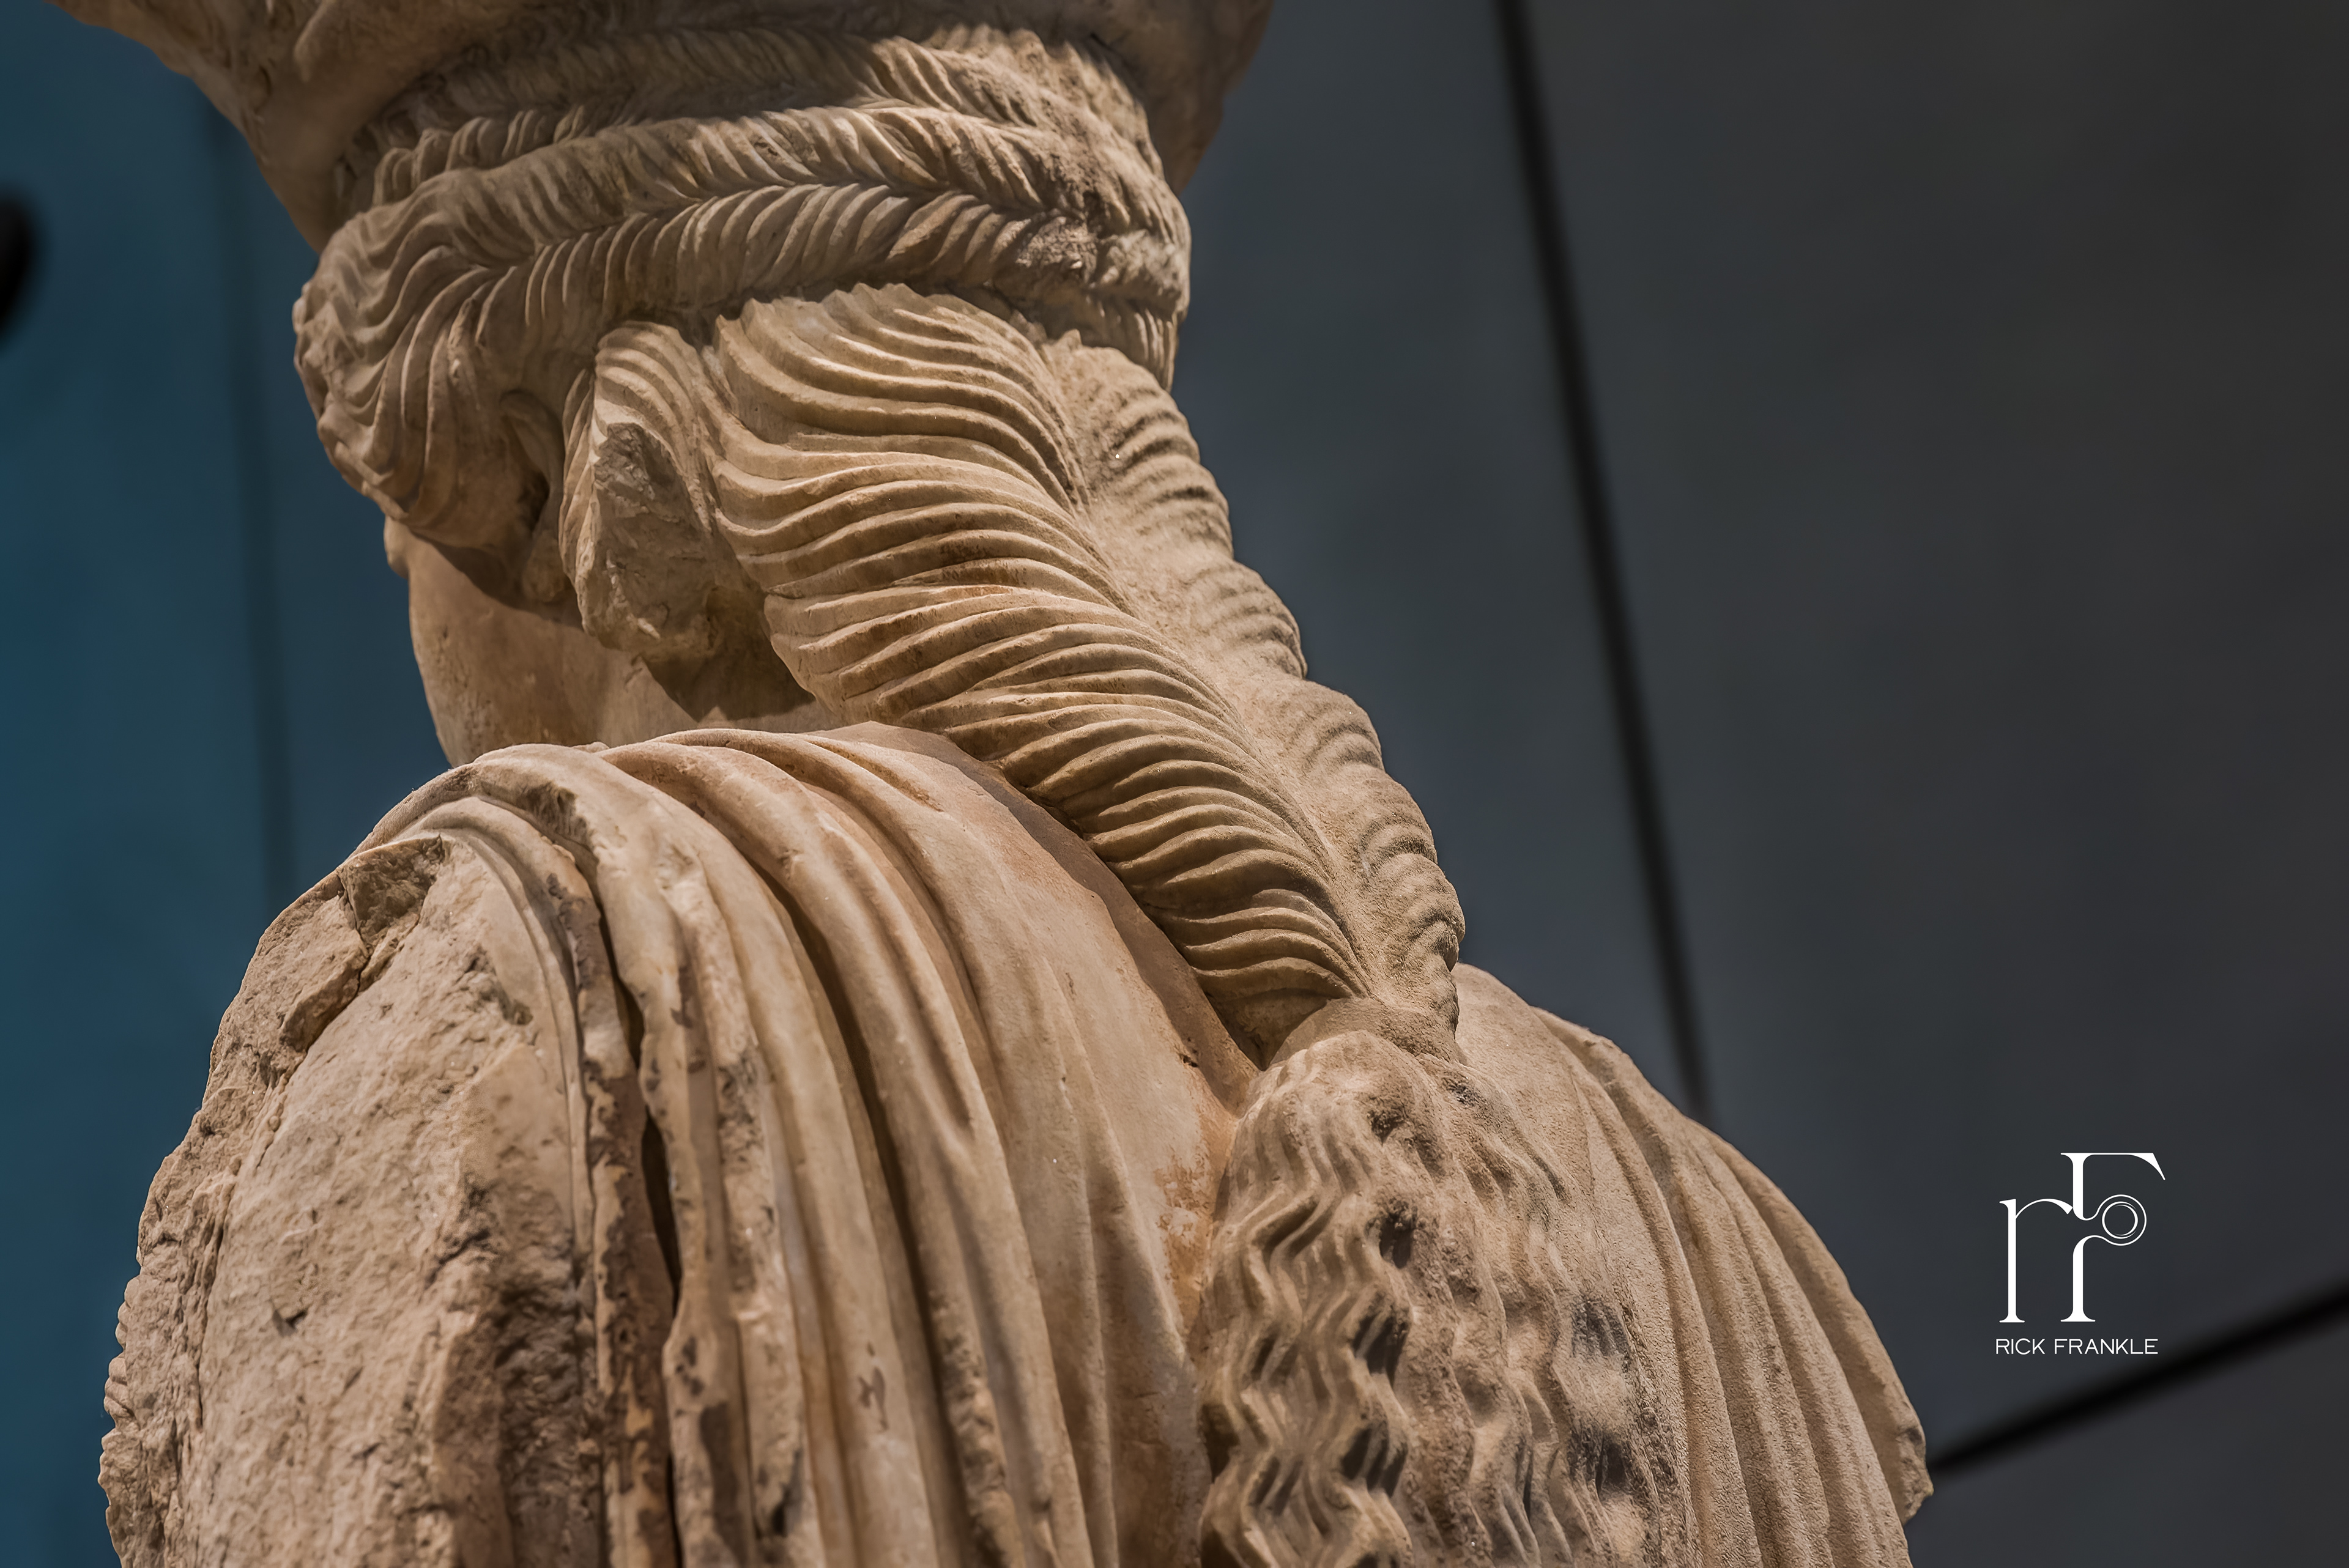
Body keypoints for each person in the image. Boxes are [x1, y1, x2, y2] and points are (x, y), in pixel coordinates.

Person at [68, 1, 1930, 1561]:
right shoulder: (1712, 1244)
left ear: (608, 497)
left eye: (410, 527)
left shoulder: (554, 978)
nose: (406, 594)